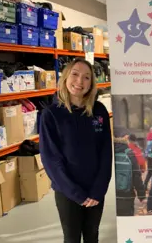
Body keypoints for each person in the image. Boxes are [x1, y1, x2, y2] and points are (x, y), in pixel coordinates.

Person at [39, 58, 112, 243]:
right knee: (71, 238)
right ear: (65, 78)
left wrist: (99, 190)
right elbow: (51, 159)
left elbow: (105, 153)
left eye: (86, 77)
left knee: (92, 236)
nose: (80, 82)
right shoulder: (52, 114)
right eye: (75, 75)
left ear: (91, 83)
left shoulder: (99, 111)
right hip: (67, 191)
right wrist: (76, 194)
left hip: (95, 190)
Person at [114, 128, 146, 216]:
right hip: (126, 196)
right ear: (125, 137)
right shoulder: (129, 153)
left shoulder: (108, 152)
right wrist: (141, 195)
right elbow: (136, 175)